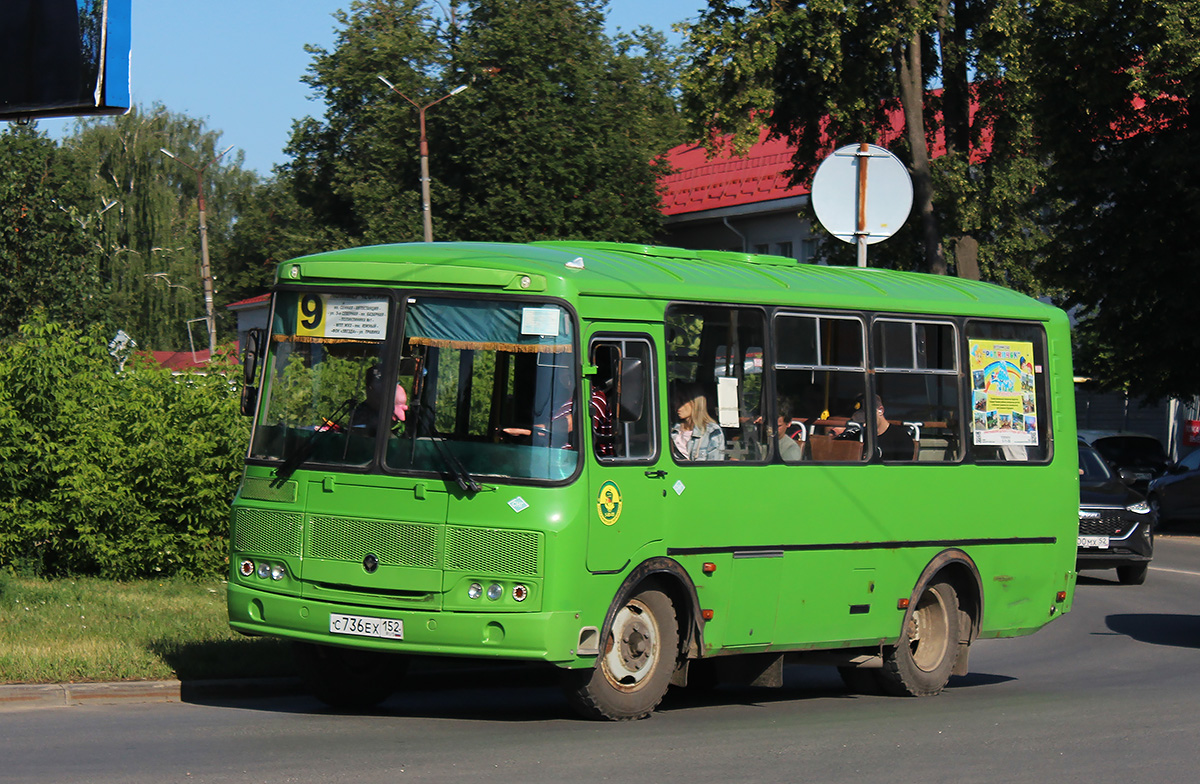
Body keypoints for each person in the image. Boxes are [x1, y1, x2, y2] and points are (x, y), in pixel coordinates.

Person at [670, 382, 725, 461]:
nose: (677, 406)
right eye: (675, 401)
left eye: (682, 401)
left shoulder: (712, 431)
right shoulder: (672, 431)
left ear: (695, 403)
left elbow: (715, 464)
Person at [350, 364, 408, 431]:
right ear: (370, 388)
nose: (387, 389)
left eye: (393, 384)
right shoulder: (362, 414)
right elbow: (359, 433)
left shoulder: (409, 416)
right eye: (382, 384)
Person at [866, 394, 915, 460]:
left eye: (868, 416)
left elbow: (903, 465)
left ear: (880, 410)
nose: (864, 423)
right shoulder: (860, 437)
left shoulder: (901, 438)